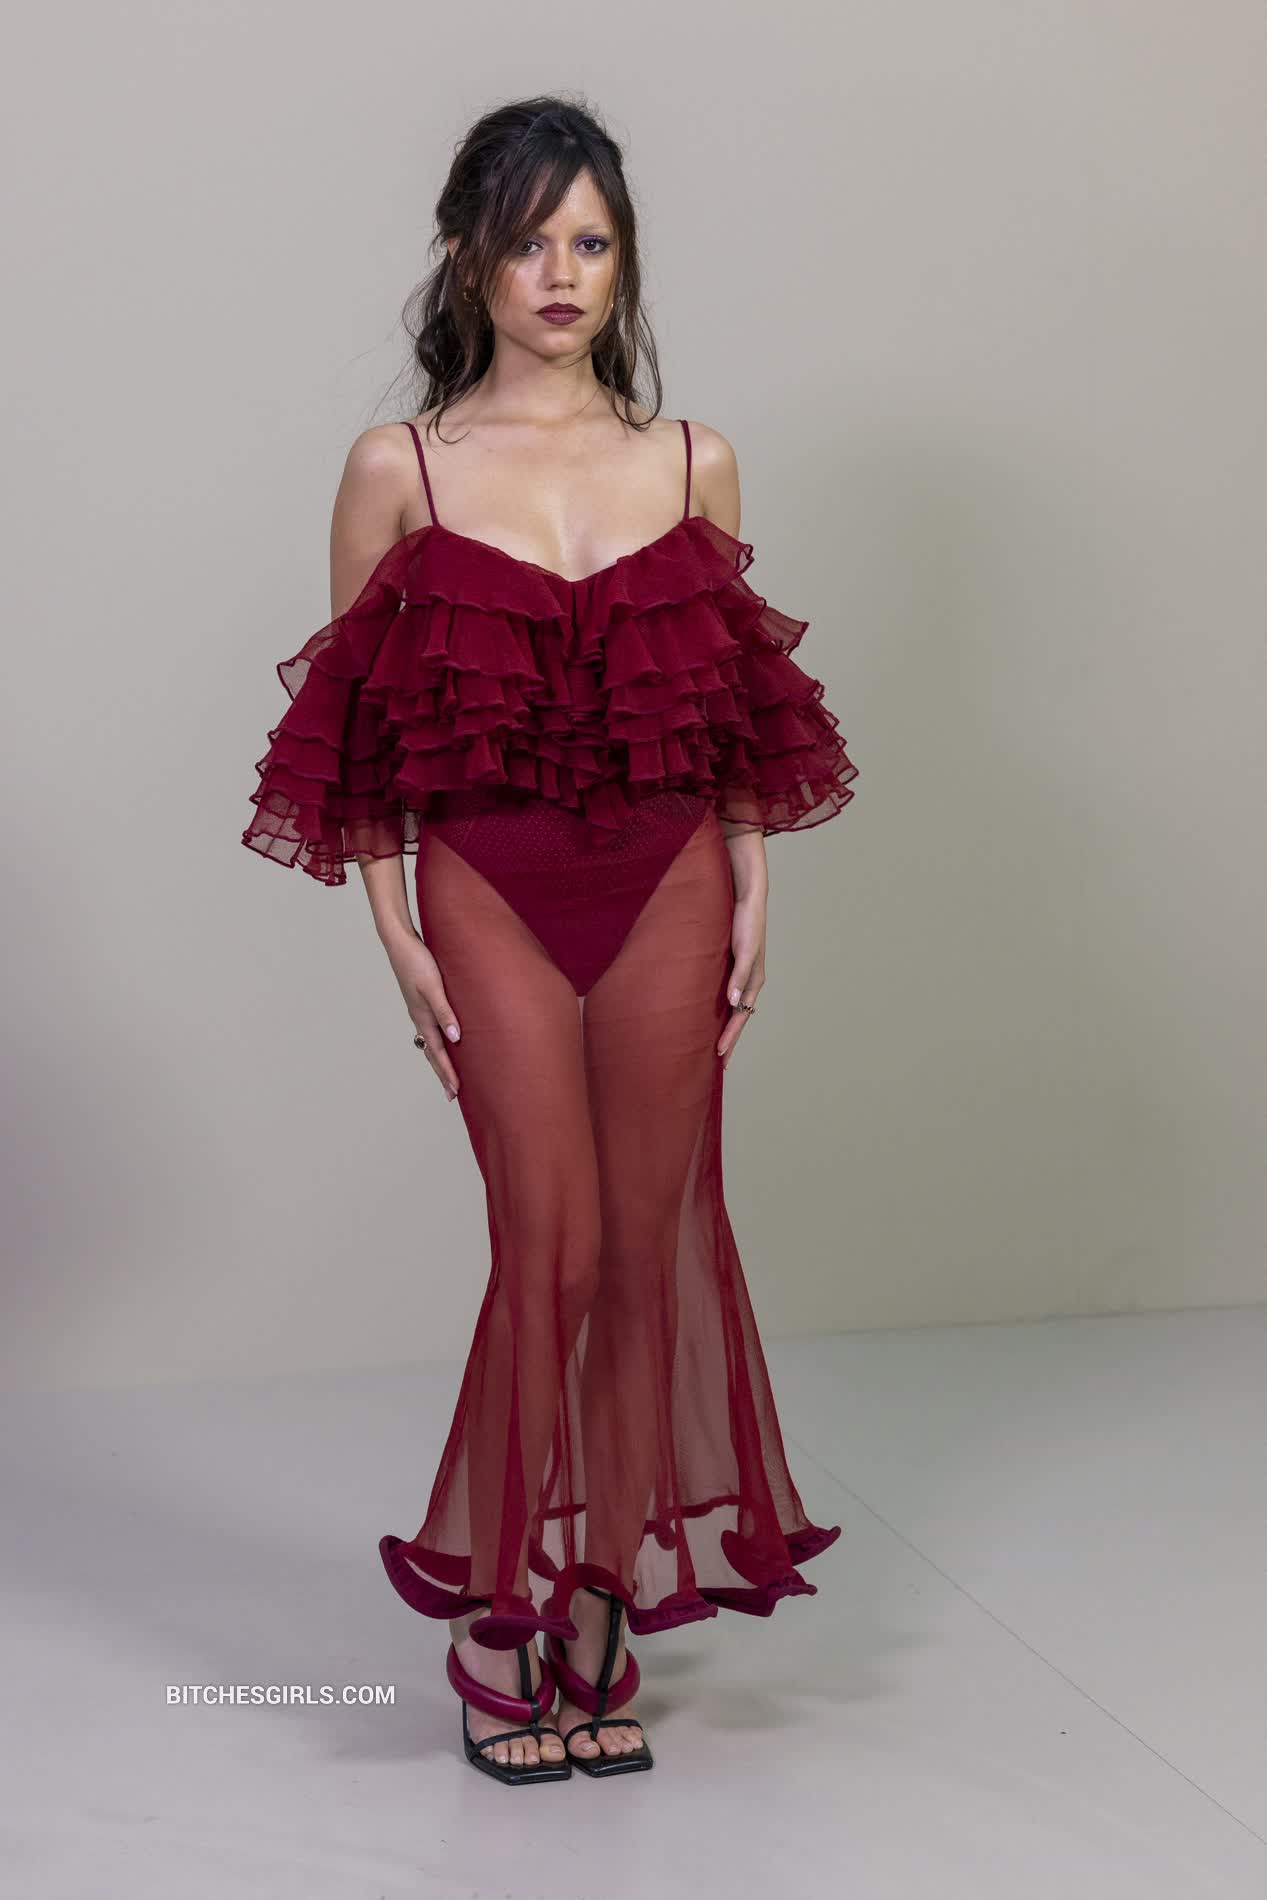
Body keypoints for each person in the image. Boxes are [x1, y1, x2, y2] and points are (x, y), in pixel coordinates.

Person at [241, 95, 858, 1785]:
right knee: (556, 1247)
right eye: (530, 241)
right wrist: (396, 932)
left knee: (649, 1249)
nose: (563, 273)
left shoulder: (693, 458)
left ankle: (596, 1596)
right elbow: (355, 736)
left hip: (669, 876)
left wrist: (755, 879)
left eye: (592, 240)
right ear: (469, 258)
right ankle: (492, 1602)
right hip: (489, 888)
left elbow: (733, 705)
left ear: (623, 261)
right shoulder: (401, 466)